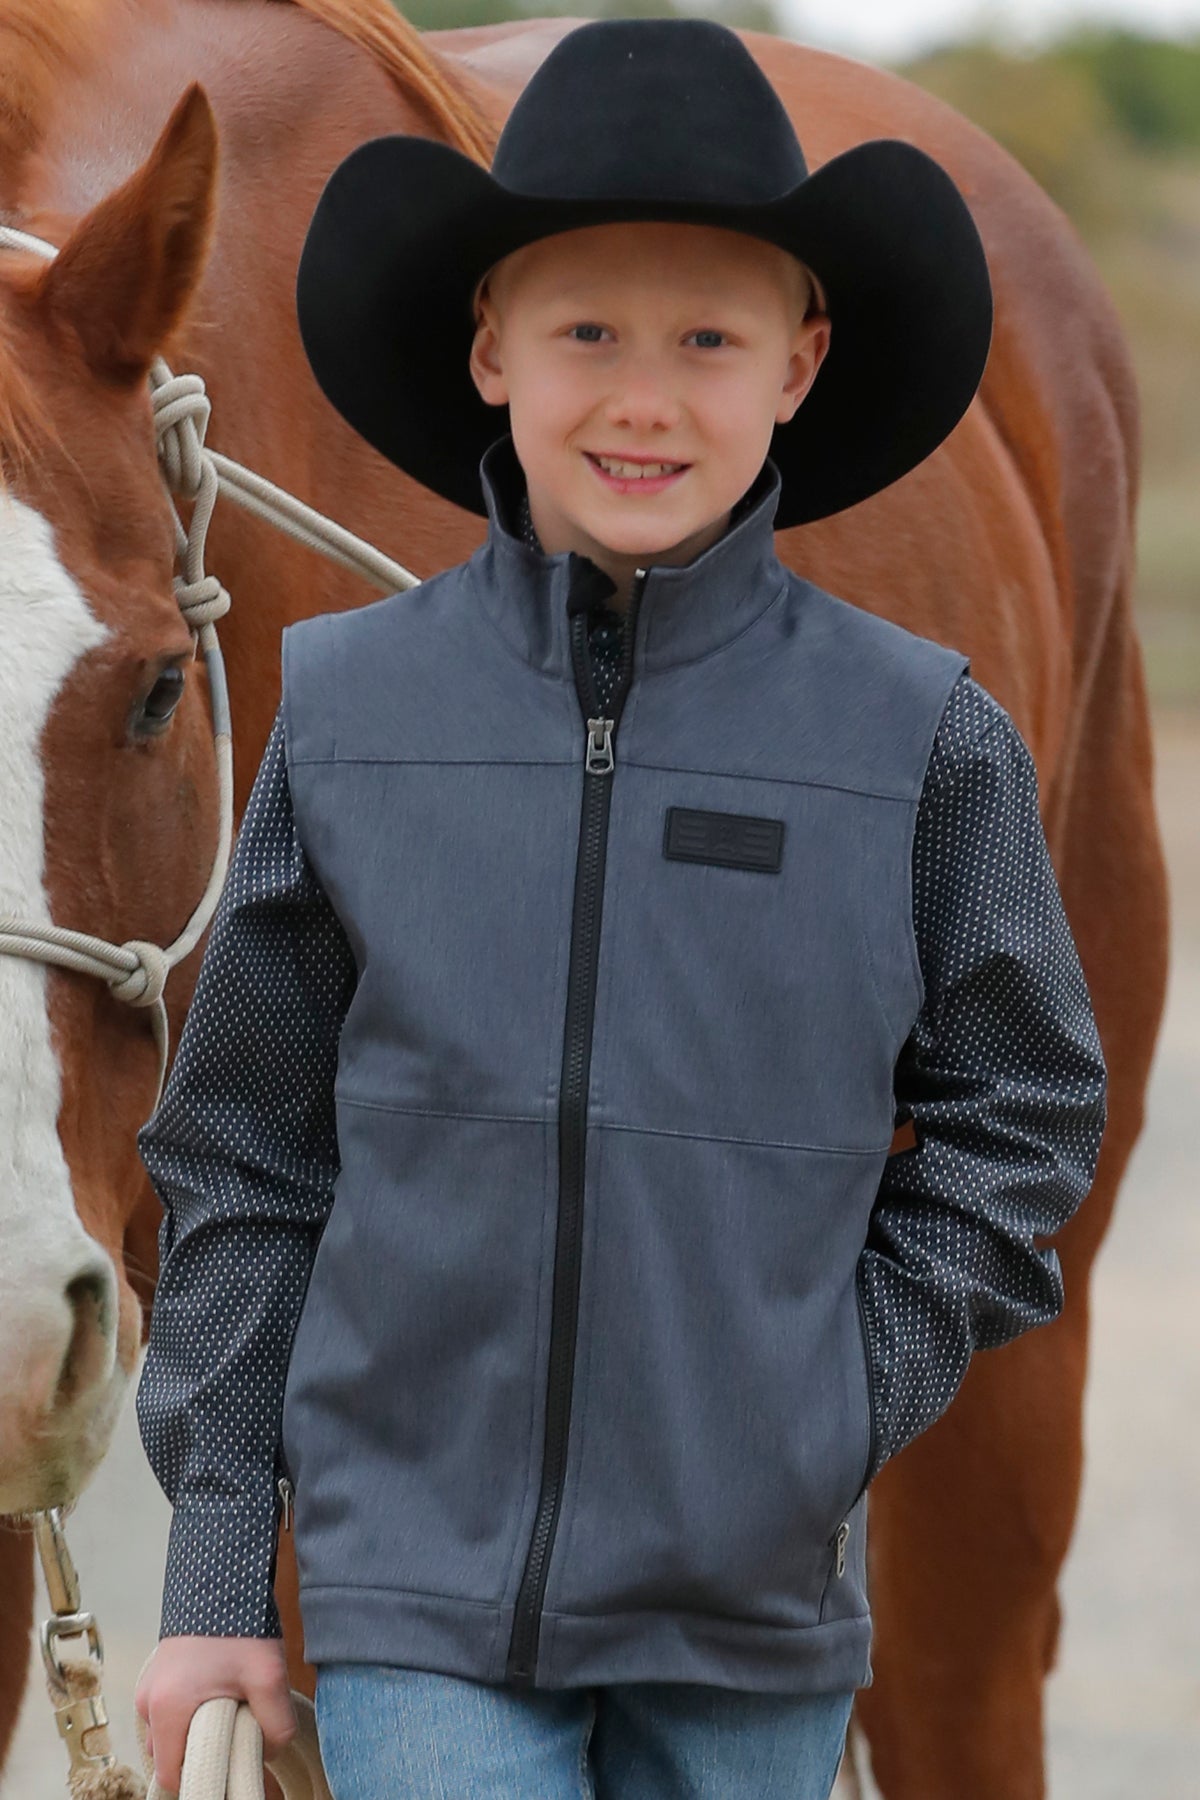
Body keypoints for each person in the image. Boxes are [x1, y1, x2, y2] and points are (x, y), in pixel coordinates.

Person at [132, 16, 1108, 1799]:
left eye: (707, 340)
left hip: (749, 1618)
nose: (643, 398)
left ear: (799, 366)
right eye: (586, 331)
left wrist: (834, 1402)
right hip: (413, 1605)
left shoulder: (921, 741)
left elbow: (1024, 1112)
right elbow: (246, 1158)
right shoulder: (345, 717)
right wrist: (214, 1575)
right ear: (491, 348)